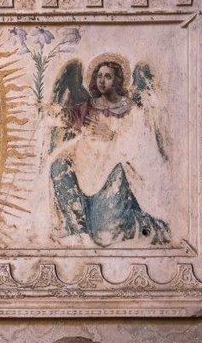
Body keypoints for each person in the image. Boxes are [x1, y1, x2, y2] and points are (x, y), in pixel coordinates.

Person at [50, 59, 170, 247]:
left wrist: (112, 135)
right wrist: (53, 112)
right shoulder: (87, 106)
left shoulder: (131, 109)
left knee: (105, 236)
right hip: (86, 170)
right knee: (58, 165)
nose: (102, 81)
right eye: (99, 76)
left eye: (107, 76)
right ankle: (77, 230)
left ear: (118, 80)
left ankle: (154, 227)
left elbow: (139, 146)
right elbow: (65, 118)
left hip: (112, 174)